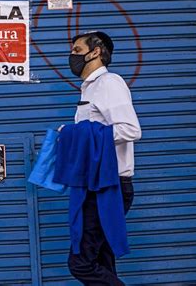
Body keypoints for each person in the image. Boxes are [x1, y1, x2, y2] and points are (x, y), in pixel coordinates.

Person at [65, 31, 141, 285]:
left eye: (77, 50)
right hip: (97, 184)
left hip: (109, 186)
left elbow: (131, 129)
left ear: (95, 52)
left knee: (81, 263)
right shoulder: (90, 88)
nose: (71, 56)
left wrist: (80, 135)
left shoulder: (108, 83)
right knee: (101, 260)